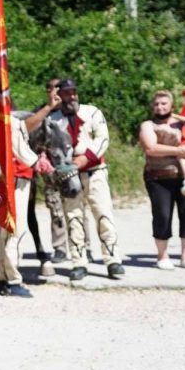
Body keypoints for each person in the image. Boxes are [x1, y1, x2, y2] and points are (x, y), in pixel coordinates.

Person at [48, 78, 125, 281]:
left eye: (73, 92)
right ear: (60, 95)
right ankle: (79, 261)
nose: (71, 96)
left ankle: (112, 259)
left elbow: (103, 139)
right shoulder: (54, 119)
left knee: (103, 214)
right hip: (68, 175)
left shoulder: (92, 112)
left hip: (95, 171)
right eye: (66, 93)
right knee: (73, 218)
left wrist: (84, 159)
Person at [138, 90, 185, 270]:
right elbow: (151, 148)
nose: (160, 107)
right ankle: (162, 256)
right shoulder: (148, 125)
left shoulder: (183, 124)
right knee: (162, 216)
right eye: (157, 104)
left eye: (164, 103)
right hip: (158, 176)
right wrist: (178, 151)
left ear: (171, 106)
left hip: (184, 177)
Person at [0, 115, 55, 296]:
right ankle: (13, 281)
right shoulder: (6, 120)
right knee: (16, 230)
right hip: (16, 179)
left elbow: (27, 124)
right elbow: (19, 145)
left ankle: (2, 278)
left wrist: (49, 107)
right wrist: (37, 162)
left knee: (3, 232)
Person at [24, 77, 70, 266]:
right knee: (55, 205)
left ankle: (81, 246)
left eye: (58, 87)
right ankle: (59, 247)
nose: (55, 91)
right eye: (50, 88)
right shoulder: (40, 113)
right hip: (49, 169)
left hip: (73, 165)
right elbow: (29, 136)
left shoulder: (74, 111)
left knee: (76, 208)